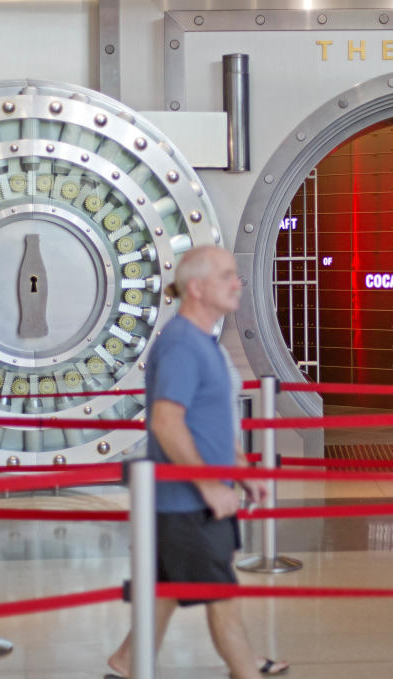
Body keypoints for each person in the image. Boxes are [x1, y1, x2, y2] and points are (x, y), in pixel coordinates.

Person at [106, 245, 289, 679]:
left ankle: (127, 661)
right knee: (222, 598)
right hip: (185, 503)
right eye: (226, 275)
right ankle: (246, 670)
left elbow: (214, 422)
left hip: (196, 499)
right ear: (197, 287)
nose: (236, 282)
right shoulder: (182, 345)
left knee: (171, 586)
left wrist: (241, 471)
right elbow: (167, 423)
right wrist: (209, 486)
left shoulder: (205, 343)